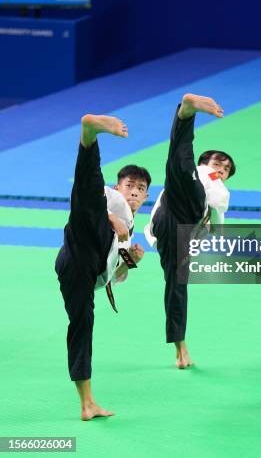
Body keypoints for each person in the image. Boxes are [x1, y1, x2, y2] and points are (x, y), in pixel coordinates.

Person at [55, 114, 151, 420]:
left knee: (82, 328)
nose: (134, 191)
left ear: (146, 196)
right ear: (119, 186)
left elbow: (112, 276)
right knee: (88, 192)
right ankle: (89, 137)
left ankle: (87, 403)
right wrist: (111, 218)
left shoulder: (132, 226)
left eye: (141, 188)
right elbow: (92, 200)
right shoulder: (111, 197)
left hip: (84, 270)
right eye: (130, 185)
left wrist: (130, 262)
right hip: (80, 247)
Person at [145, 93, 236, 368]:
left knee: (177, 285)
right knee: (180, 160)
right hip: (174, 211)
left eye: (227, 169)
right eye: (217, 163)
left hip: (180, 226)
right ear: (206, 162)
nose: (222, 169)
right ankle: (186, 112)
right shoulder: (204, 174)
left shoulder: (220, 192)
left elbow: (217, 223)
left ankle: (180, 346)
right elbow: (161, 207)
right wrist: (155, 233)